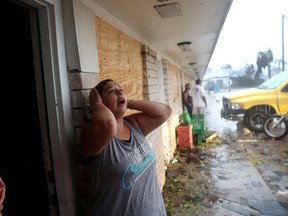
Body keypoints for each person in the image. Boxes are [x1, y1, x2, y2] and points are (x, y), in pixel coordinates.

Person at [81, 79, 172, 216]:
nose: (119, 91)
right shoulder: (94, 134)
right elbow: (109, 125)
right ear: (101, 102)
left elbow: (165, 111)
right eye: (111, 91)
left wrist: (126, 102)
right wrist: (96, 105)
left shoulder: (133, 124)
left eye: (121, 89)